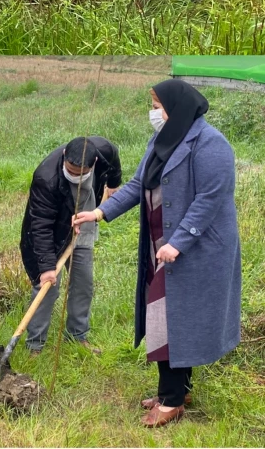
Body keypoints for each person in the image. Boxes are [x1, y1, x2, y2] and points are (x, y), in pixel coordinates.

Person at [75, 80, 241, 428]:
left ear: (177, 107)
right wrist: (100, 212)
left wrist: (178, 242)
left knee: (173, 317)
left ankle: (172, 399)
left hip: (194, 249)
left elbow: (209, 200)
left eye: (156, 104)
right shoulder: (162, 140)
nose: (152, 112)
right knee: (170, 313)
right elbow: (138, 184)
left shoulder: (211, 144)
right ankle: (179, 390)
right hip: (160, 242)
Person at [19, 136, 122, 354]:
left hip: (84, 221)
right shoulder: (46, 178)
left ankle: (77, 335)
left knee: (83, 282)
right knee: (47, 287)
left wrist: (114, 183)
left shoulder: (103, 151)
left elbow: (114, 158)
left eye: (80, 173)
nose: (74, 175)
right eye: (71, 171)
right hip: (52, 232)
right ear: (64, 156)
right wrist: (47, 268)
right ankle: (34, 346)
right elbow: (41, 226)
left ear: (93, 163)